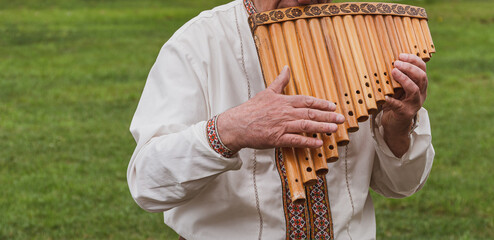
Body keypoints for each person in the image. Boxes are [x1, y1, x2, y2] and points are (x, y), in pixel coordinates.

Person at [126, 0, 435, 239]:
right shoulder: (198, 43)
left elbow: (400, 186)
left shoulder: (365, 43)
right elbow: (148, 182)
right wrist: (230, 130)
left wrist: (399, 128)